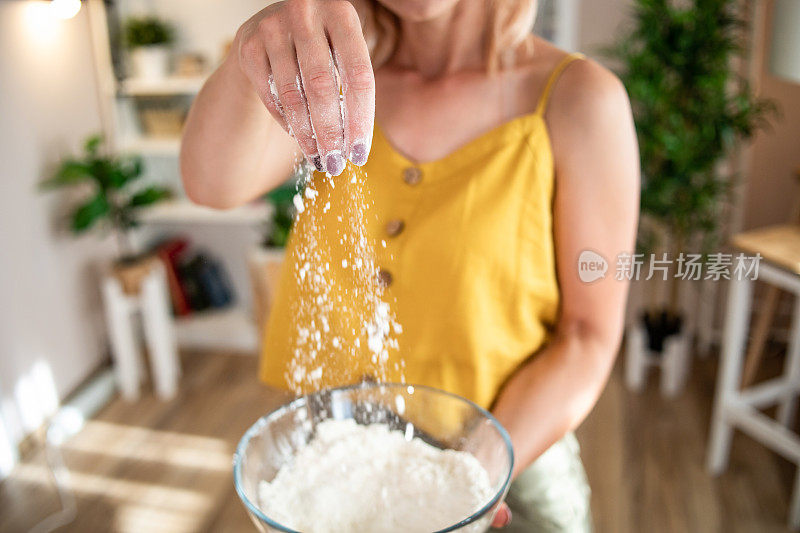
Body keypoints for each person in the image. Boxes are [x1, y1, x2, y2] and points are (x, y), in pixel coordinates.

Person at [181, 0, 639, 530]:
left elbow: (588, 335)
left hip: (510, 468)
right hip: (338, 463)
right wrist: (250, 50)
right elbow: (211, 185)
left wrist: (468, 475)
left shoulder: (581, 98)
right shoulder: (330, 82)